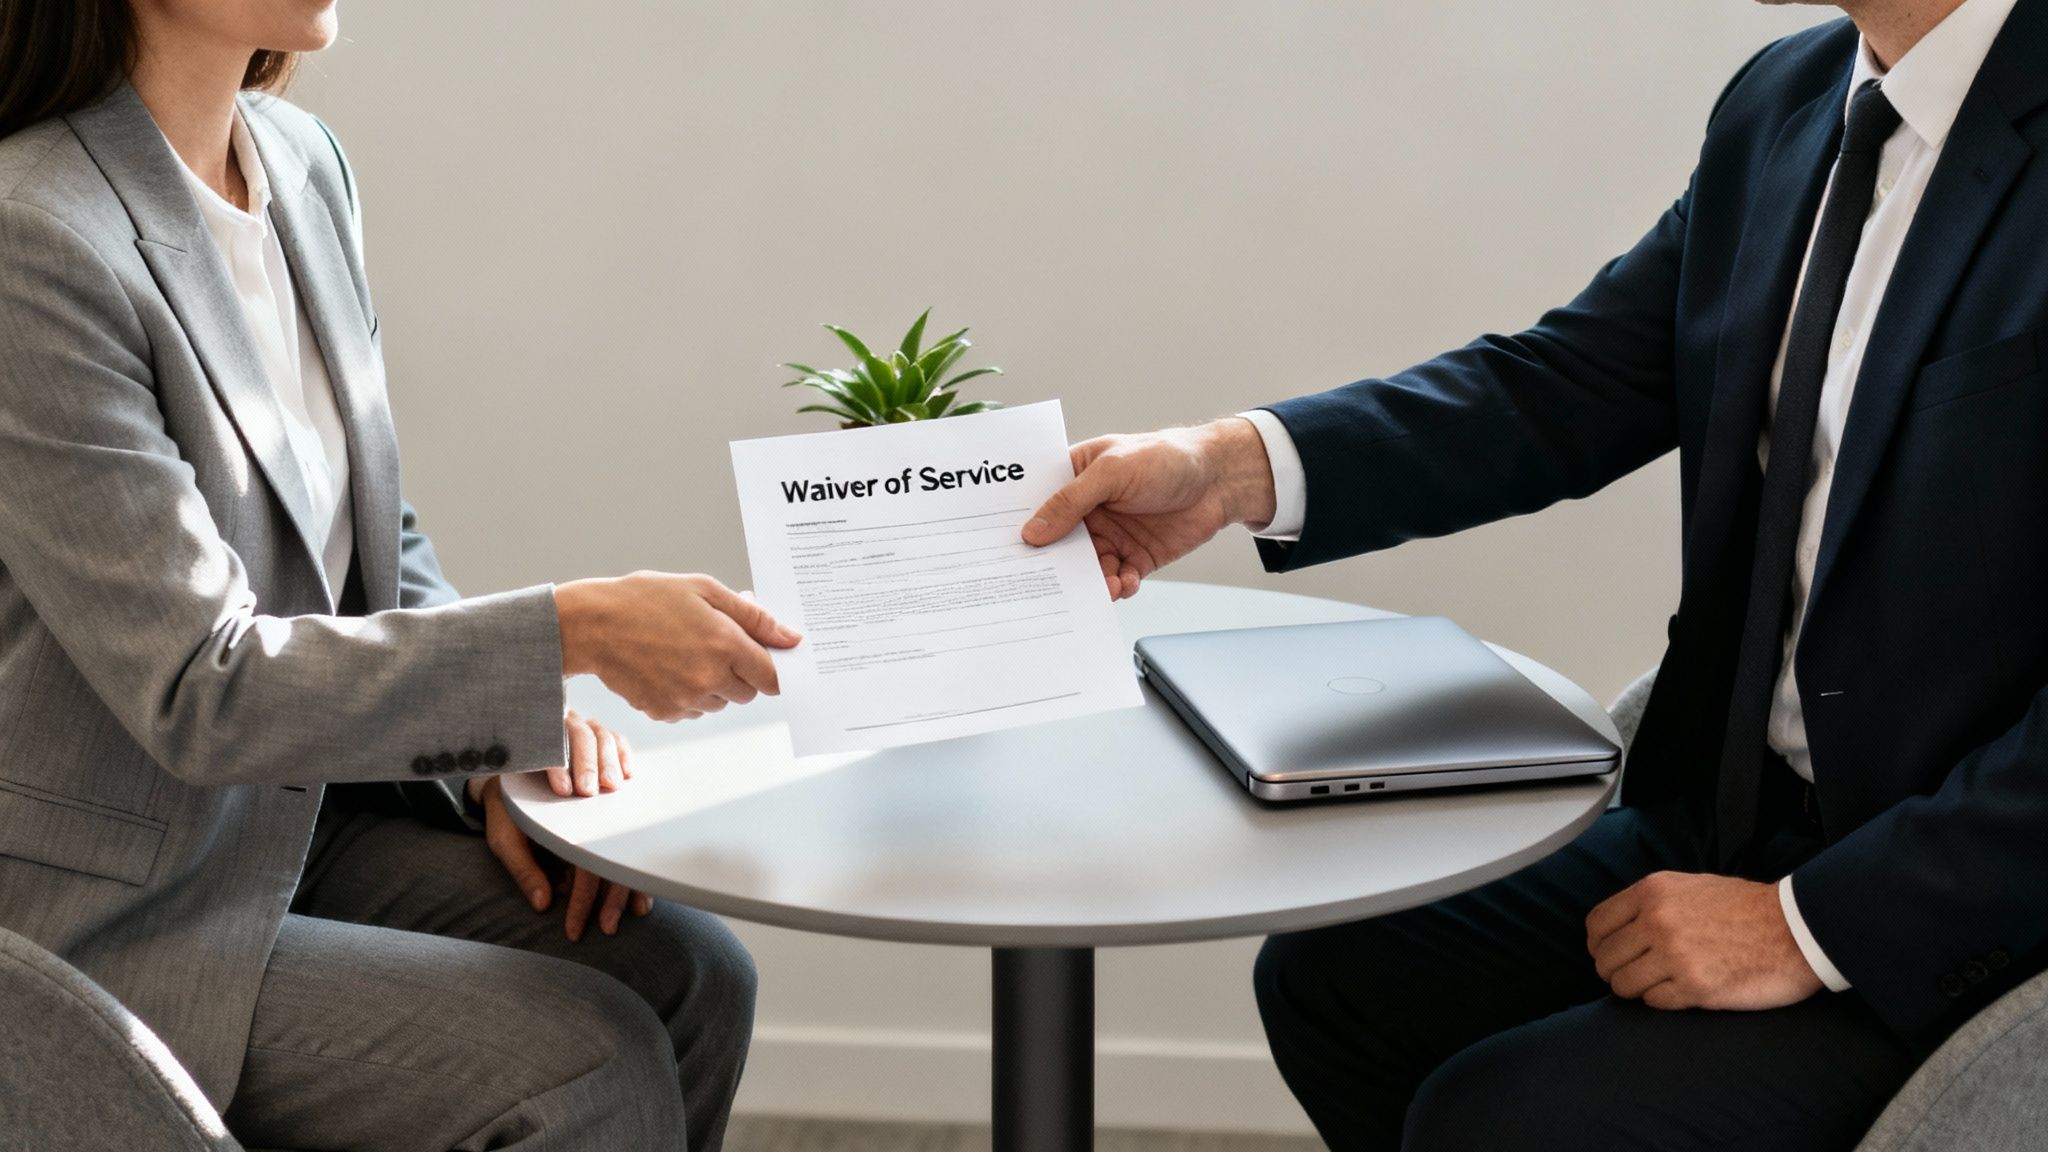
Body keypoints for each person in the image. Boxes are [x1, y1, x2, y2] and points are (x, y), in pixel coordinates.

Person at [1023, 0, 2046, 1146]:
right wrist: (1222, 470)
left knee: (1498, 1121)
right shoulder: (1786, 100)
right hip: (1733, 817)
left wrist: (1807, 926)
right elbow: (1568, 383)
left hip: (1953, 887)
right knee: (1334, 980)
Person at [0, 2, 801, 1149]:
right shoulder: (32, 233)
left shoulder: (300, 163)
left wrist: (490, 747)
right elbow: (198, 686)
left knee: (692, 973)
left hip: (300, 825)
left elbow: (370, 534)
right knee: (582, 1063)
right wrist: (568, 633)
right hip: (115, 906)